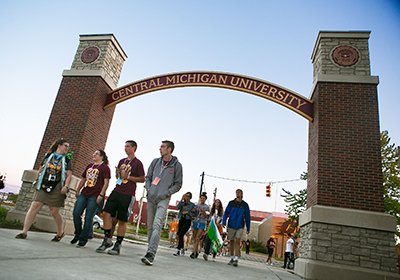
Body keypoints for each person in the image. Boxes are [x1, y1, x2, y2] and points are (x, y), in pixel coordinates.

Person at [15, 138, 73, 241]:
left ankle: (60, 233)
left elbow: (69, 175)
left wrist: (66, 186)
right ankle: (24, 232)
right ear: (59, 145)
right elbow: (40, 169)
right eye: (66, 146)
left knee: (54, 211)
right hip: (43, 184)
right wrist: (37, 181)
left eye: (68, 147)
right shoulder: (47, 156)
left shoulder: (67, 160)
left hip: (57, 186)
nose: (67, 148)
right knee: (35, 205)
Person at [96, 140, 145, 255]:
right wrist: (118, 173)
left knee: (122, 220)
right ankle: (107, 239)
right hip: (117, 190)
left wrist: (128, 177)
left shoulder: (138, 163)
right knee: (106, 214)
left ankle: (117, 245)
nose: (125, 148)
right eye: (125, 146)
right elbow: (118, 177)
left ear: (133, 148)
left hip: (128, 194)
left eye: (128, 146)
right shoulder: (121, 161)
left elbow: (142, 179)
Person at [141, 140, 183, 266]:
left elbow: (178, 184)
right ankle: (149, 250)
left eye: (162, 147)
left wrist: (167, 193)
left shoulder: (176, 165)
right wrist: (148, 188)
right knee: (150, 227)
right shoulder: (155, 162)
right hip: (151, 197)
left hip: (163, 199)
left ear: (169, 149)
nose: (160, 149)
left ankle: (151, 253)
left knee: (157, 224)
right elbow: (148, 177)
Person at [71, 149, 110, 247]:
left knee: (88, 217)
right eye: (94, 153)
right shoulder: (89, 166)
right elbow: (83, 179)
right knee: (76, 213)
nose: (94, 155)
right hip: (84, 193)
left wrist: (101, 195)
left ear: (101, 156)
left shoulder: (105, 168)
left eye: (96, 154)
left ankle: (83, 239)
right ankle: (78, 234)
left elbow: (106, 183)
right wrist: (78, 189)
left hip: (95, 195)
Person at [222, 189, 251, 267]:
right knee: (231, 241)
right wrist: (224, 221)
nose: (238, 194)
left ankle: (236, 259)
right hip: (231, 224)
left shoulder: (245, 205)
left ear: (242, 194)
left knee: (238, 241)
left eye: (239, 192)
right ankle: (231, 257)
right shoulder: (231, 203)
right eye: (237, 192)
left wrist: (248, 227)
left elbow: (248, 217)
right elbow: (226, 213)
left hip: (240, 225)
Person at [173, 192, 195, 256]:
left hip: (187, 220)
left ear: (190, 197)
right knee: (180, 234)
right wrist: (181, 199)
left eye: (188, 196)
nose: (187, 197)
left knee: (181, 233)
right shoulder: (182, 203)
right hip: (181, 219)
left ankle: (178, 250)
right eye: (186, 196)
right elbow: (177, 208)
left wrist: (187, 212)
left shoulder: (192, 205)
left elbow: (194, 214)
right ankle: (182, 248)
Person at [190, 192, 210, 259]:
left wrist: (203, 212)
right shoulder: (196, 205)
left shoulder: (207, 207)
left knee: (198, 237)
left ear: (205, 199)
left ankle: (194, 253)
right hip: (196, 221)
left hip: (202, 222)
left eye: (203, 198)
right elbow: (193, 214)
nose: (202, 199)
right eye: (201, 198)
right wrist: (194, 210)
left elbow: (207, 217)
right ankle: (195, 251)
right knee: (195, 237)